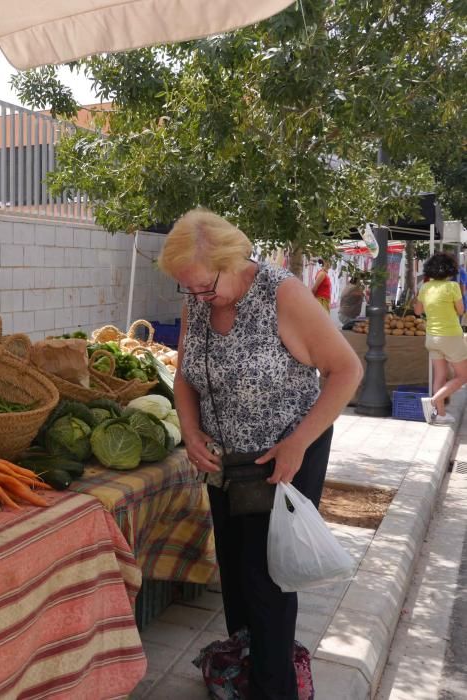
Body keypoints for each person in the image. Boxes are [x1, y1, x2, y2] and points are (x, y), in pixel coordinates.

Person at [159, 208, 362, 699]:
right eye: (190, 290)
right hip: (224, 462)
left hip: (283, 458)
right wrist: (189, 430)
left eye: (206, 287)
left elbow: (347, 370)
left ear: (235, 261)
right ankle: (247, 670)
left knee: (268, 583)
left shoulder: (282, 293)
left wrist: (298, 443)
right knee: (235, 572)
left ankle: (276, 689)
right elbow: (186, 376)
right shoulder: (200, 299)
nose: (199, 298)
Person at [414, 252, 467, 426]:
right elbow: (460, 311)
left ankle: (441, 414)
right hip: (450, 336)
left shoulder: (425, 287)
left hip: (432, 337)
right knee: (463, 376)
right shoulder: (452, 287)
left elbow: (417, 311)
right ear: (449, 269)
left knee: (440, 376)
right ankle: (433, 401)